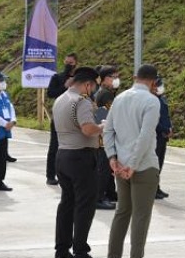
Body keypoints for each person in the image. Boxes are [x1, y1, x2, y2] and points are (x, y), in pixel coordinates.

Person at [104, 64, 161, 258]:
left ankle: (113, 255)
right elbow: (145, 137)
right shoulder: (152, 101)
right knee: (140, 218)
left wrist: (112, 157)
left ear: (135, 77)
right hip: (143, 167)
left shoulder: (119, 98)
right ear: (154, 81)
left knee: (122, 214)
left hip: (120, 166)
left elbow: (108, 130)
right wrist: (133, 166)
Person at [53, 67, 105, 258]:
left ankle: (61, 248)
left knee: (67, 202)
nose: (91, 91)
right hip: (81, 157)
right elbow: (88, 129)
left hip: (63, 155)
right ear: (87, 84)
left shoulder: (61, 99)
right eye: (92, 87)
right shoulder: (81, 101)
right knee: (84, 205)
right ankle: (80, 249)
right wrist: (103, 126)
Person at [47, 53, 78, 185]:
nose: (68, 65)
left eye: (71, 63)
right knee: (55, 146)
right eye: (66, 62)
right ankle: (50, 175)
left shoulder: (79, 78)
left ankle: (68, 174)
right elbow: (51, 93)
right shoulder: (57, 77)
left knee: (73, 147)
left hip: (74, 115)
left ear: (76, 63)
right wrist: (65, 86)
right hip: (59, 115)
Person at [93, 65, 120, 210]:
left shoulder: (107, 92)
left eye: (117, 76)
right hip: (104, 137)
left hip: (105, 135)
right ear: (103, 79)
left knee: (108, 168)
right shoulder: (105, 94)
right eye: (112, 77)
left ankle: (109, 192)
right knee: (103, 168)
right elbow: (105, 116)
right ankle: (98, 197)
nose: (116, 80)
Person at [154, 77, 172, 200]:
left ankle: (156, 187)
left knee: (159, 163)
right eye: (158, 85)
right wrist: (164, 130)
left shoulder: (162, 99)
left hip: (163, 135)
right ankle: (153, 188)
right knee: (154, 164)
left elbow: (166, 116)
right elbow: (154, 120)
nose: (161, 87)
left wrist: (170, 128)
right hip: (156, 135)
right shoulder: (152, 100)